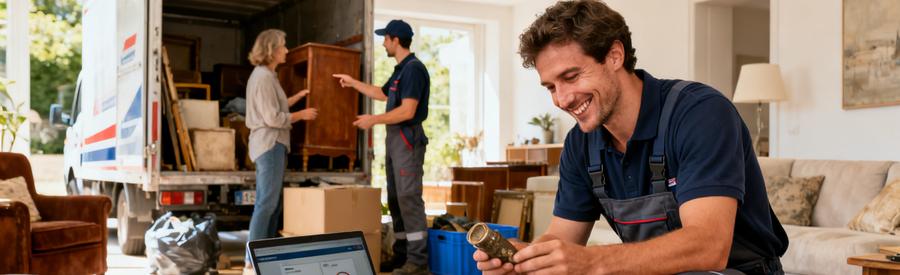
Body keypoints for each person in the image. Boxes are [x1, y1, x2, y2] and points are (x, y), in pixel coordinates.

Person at [475, 1, 788, 274]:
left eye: (571, 77)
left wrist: (591, 262)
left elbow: (708, 246)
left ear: (614, 55)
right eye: (551, 87)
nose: (562, 99)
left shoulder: (700, 114)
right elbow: (561, 237)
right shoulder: (580, 144)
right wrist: (527, 261)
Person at [333, 19, 431, 275]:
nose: (383, 43)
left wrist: (373, 120)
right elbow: (383, 93)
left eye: (385, 39)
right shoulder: (401, 70)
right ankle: (401, 256)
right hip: (395, 139)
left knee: (409, 198)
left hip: (407, 139)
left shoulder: (413, 69)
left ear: (395, 40)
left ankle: (418, 262)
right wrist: (353, 83)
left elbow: (408, 111)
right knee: (396, 199)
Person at [243, 29, 318, 274]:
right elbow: (272, 117)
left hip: (273, 145)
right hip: (270, 144)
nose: (286, 50)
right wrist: (301, 115)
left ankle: (264, 256)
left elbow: (276, 107)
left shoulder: (268, 76)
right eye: (283, 46)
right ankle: (251, 260)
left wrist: (297, 97)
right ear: (271, 50)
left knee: (272, 205)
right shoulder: (264, 77)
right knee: (266, 204)